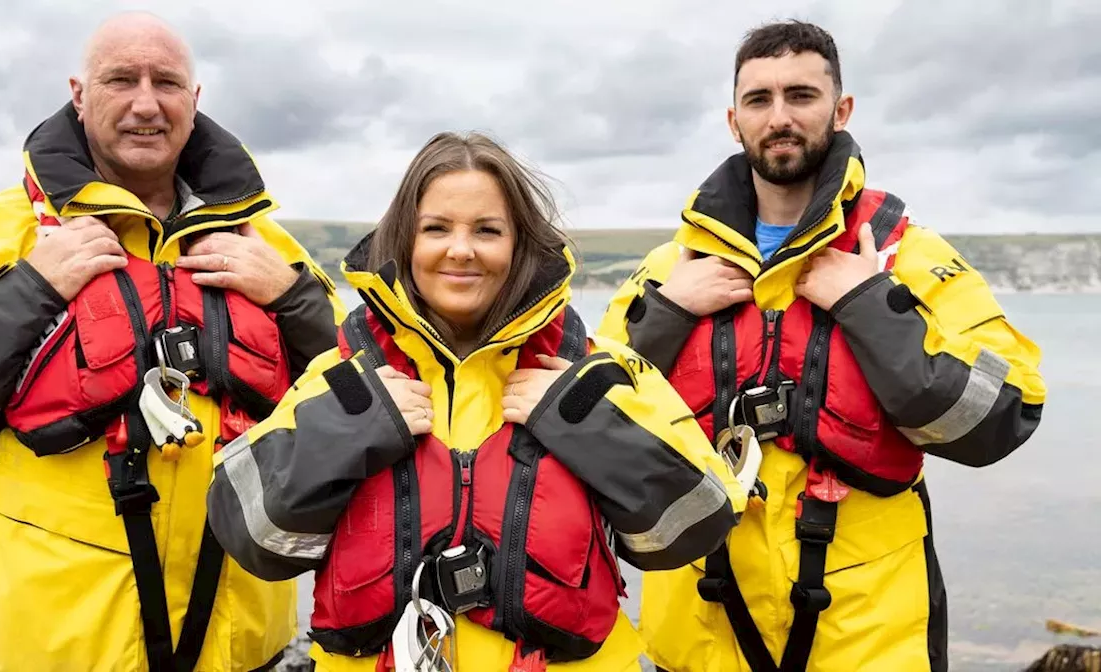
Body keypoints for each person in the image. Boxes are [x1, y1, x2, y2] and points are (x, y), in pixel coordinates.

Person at [0, 12, 344, 671]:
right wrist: (30, 289)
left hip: (233, 637)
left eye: (167, 82)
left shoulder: (267, 247)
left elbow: (364, 392)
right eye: (121, 80)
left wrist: (294, 298)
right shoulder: (2, 231)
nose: (147, 103)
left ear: (194, 102)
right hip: (53, 639)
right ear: (79, 95)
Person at [596, 20, 1047, 672]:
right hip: (703, 629)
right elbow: (587, 423)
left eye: (801, 95)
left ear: (841, 111)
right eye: (759, 99)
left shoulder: (905, 255)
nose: (779, 116)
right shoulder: (674, 267)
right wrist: (665, 314)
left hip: (871, 635)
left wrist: (871, 305)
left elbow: (1006, 411)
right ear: (734, 120)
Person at [205, 131, 748, 671]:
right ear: (404, 242)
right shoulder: (343, 379)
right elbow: (248, 535)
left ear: (520, 245)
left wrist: (586, 422)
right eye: (436, 228)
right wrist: (347, 431)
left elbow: (699, 523)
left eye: (487, 230)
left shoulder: (597, 373)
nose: (460, 250)